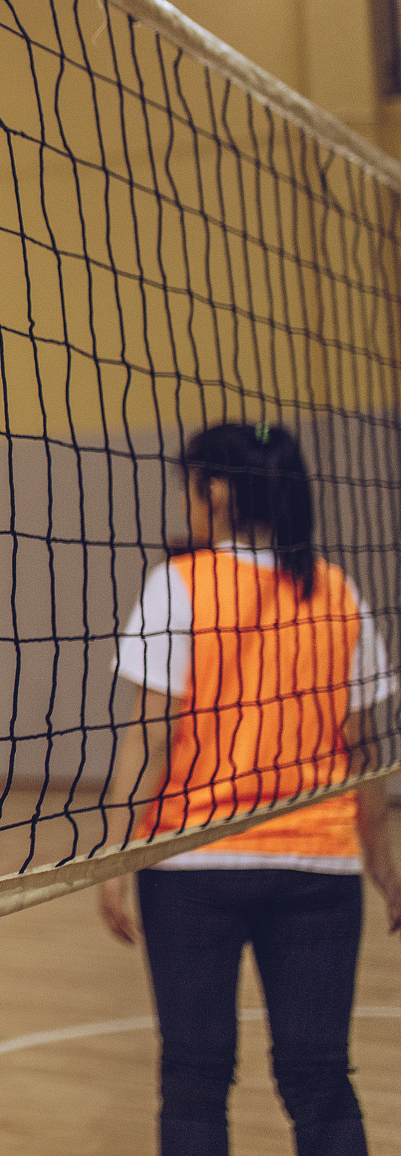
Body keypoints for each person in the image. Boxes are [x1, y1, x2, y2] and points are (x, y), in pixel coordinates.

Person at [97, 422, 401, 1156]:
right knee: (321, 1078)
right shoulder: (338, 589)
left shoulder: (180, 582)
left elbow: (150, 735)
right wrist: (383, 861)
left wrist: (112, 855)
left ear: (218, 490)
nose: (185, 498)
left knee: (195, 1080)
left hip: (194, 865)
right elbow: (364, 752)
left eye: (190, 483)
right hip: (319, 867)